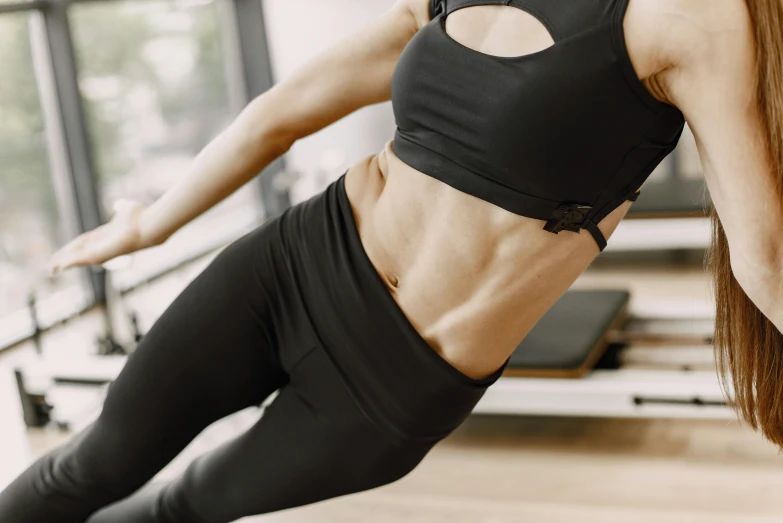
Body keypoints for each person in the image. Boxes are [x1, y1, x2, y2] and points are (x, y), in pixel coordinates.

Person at [2, 0, 783, 521]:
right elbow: (281, 113)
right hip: (292, 266)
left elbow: (764, 253)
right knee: (93, 463)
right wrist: (150, 226)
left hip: (392, 384)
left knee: (186, 505)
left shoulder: (687, 16)